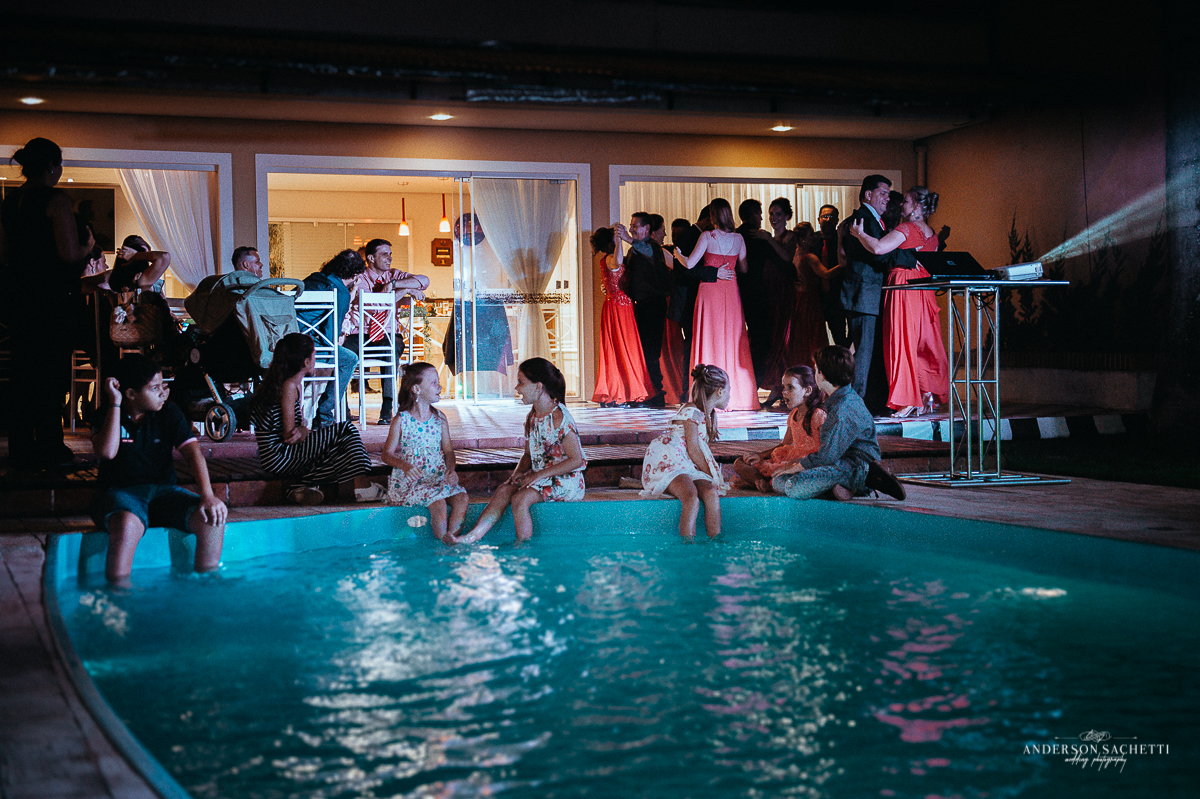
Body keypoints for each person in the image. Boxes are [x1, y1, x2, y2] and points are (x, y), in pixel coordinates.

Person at [0, 137, 95, 470]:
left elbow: (5, 255)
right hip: (53, 300)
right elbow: (68, 254)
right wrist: (88, 247)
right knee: (52, 374)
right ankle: (51, 446)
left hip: (19, 299)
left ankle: (21, 447)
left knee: (23, 373)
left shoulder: (11, 202)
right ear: (53, 166)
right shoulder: (56, 200)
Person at [90, 354, 226, 584]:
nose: (163, 392)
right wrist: (115, 402)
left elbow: (193, 453)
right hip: (121, 495)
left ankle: (207, 584)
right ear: (131, 394)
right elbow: (107, 452)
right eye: (154, 388)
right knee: (126, 524)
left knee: (212, 517)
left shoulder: (168, 412)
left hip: (163, 493)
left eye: (163, 385)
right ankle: (119, 594)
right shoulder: (107, 414)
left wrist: (207, 496)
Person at [456, 358, 586, 544]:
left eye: (521, 382)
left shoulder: (560, 418)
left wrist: (538, 475)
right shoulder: (533, 416)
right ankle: (472, 536)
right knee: (504, 490)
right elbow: (528, 454)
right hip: (542, 477)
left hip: (567, 480)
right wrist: (517, 474)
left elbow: (576, 460)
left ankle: (524, 548)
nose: (517, 388)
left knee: (520, 499)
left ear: (538, 387)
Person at [850, 186, 950, 416]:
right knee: (920, 343)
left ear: (916, 206)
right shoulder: (932, 234)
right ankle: (924, 394)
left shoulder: (906, 228)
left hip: (904, 288)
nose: (901, 205)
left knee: (902, 342)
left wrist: (859, 234)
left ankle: (907, 399)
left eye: (905, 201)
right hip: (923, 290)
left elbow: (878, 248)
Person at [771, 346, 905, 502]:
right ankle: (841, 488)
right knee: (778, 482)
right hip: (837, 462)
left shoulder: (842, 409)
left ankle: (866, 480)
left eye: (816, 370)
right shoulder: (840, 399)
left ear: (821, 375)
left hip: (855, 466)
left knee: (792, 486)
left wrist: (796, 467)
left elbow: (827, 456)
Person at [251, 332, 371, 505]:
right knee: (346, 429)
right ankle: (363, 486)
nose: (316, 359)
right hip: (279, 456)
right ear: (306, 362)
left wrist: (304, 431)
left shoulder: (288, 383)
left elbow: (297, 432)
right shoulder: (289, 386)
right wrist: (304, 430)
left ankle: (301, 487)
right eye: (314, 355)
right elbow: (290, 436)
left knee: (339, 448)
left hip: (280, 455)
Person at [841, 175, 920, 413]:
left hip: (872, 295)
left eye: (889, 193)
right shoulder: (861, 219)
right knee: (863, 353)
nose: (888, 198)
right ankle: (856, 407)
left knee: (871, 351)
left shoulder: (877, 219)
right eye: (883, 193)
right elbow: (878, 254)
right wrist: (911, 258)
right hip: (863, 295)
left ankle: (872, 402)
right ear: (868, 194)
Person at [672, 198, 758, 411]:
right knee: (730, 337)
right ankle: (735, 394)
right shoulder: (739, 238)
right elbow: (744, 267)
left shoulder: (707, 236)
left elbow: (690, 264)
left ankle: (706, 394)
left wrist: (677, 255)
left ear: (712, 216)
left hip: (710, 291)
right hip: (730, 289)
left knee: (709, 335)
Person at [342, 238, 430, 425]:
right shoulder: (360, 278)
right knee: (342, 353)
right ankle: (343, 409)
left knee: (392, 348)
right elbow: (375, 305)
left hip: (388, 333)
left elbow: (425, 280)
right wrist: (405, 289)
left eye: (390, 254)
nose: (389, 258)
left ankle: (387, 409)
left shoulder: (394, 275)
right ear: (371, 258)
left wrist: (395, 284)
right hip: (361, 332)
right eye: (384, 254)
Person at [639, 364, 729, 539]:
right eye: (728, 390)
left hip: (686, 462)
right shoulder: (692, 412)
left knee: (711, 493)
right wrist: (712, 474)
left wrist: (711, 479)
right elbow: (694, 449)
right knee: (691, 498)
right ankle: (687, 545)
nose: (729, 395)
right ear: (719, 391)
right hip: (670, 461)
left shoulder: (706, 414)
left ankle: (716, 541)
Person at [381, 361, 468, 542]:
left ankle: (452, 538)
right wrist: (404, 466)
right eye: (434, 382)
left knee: (462, 498)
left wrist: (451, 470)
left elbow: (449, 452)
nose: (440, 386)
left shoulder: (439, 419)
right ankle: (442, 543)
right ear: (416, 389)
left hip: (436, 479)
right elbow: (386, 454)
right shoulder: (401, 420)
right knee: (439, 504)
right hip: (411, 484)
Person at [299, 249, 365, 427]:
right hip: (311, 348)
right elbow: (330, 335)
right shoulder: (340, 291)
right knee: (350, 359)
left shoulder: (314, 279)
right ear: (356, 274)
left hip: (291, 342)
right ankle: (325, 414)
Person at [589, 226, 654, 406]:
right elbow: (618, 262)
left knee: (626, 350)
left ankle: (627, 391)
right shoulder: (611, 258)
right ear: (611, 242)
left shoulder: (608, 259)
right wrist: (620, 238)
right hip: (618, 308)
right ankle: (621, 393)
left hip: (622, 307)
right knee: (621, 350)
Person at [734, 365, 826, 492]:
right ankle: (758, 481)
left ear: (807, 391)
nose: (784, 392)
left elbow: (826, 450)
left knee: (785, 478)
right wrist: (760, 455)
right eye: (784, 387)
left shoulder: (818, 415)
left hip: (806, 463)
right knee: (739, 462)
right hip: (788, 458)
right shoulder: (793, 414)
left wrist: (800, 463)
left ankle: (760, 483)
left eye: (790, 388)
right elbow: (785, 443)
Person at [615, 212, 671, 407]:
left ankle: (656, 394)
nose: (631, 229)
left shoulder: (653, 247)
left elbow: (647, 251)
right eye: (631, 226)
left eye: (635, 226)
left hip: (654, 303)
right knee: (643, 350)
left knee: (650, 351)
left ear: (647, 228)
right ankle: (646, 392)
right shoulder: (633, 250)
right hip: (641, 304)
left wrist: (628, 239)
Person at [816, 204, 848, 348]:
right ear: (818, 219)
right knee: (815, 339)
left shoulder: (843, 241)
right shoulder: (813, 240)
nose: (828, 220)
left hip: (837, 297)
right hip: (816, 297)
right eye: (825, 216)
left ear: (837, 220)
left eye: (832, 217)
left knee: (840, 338)